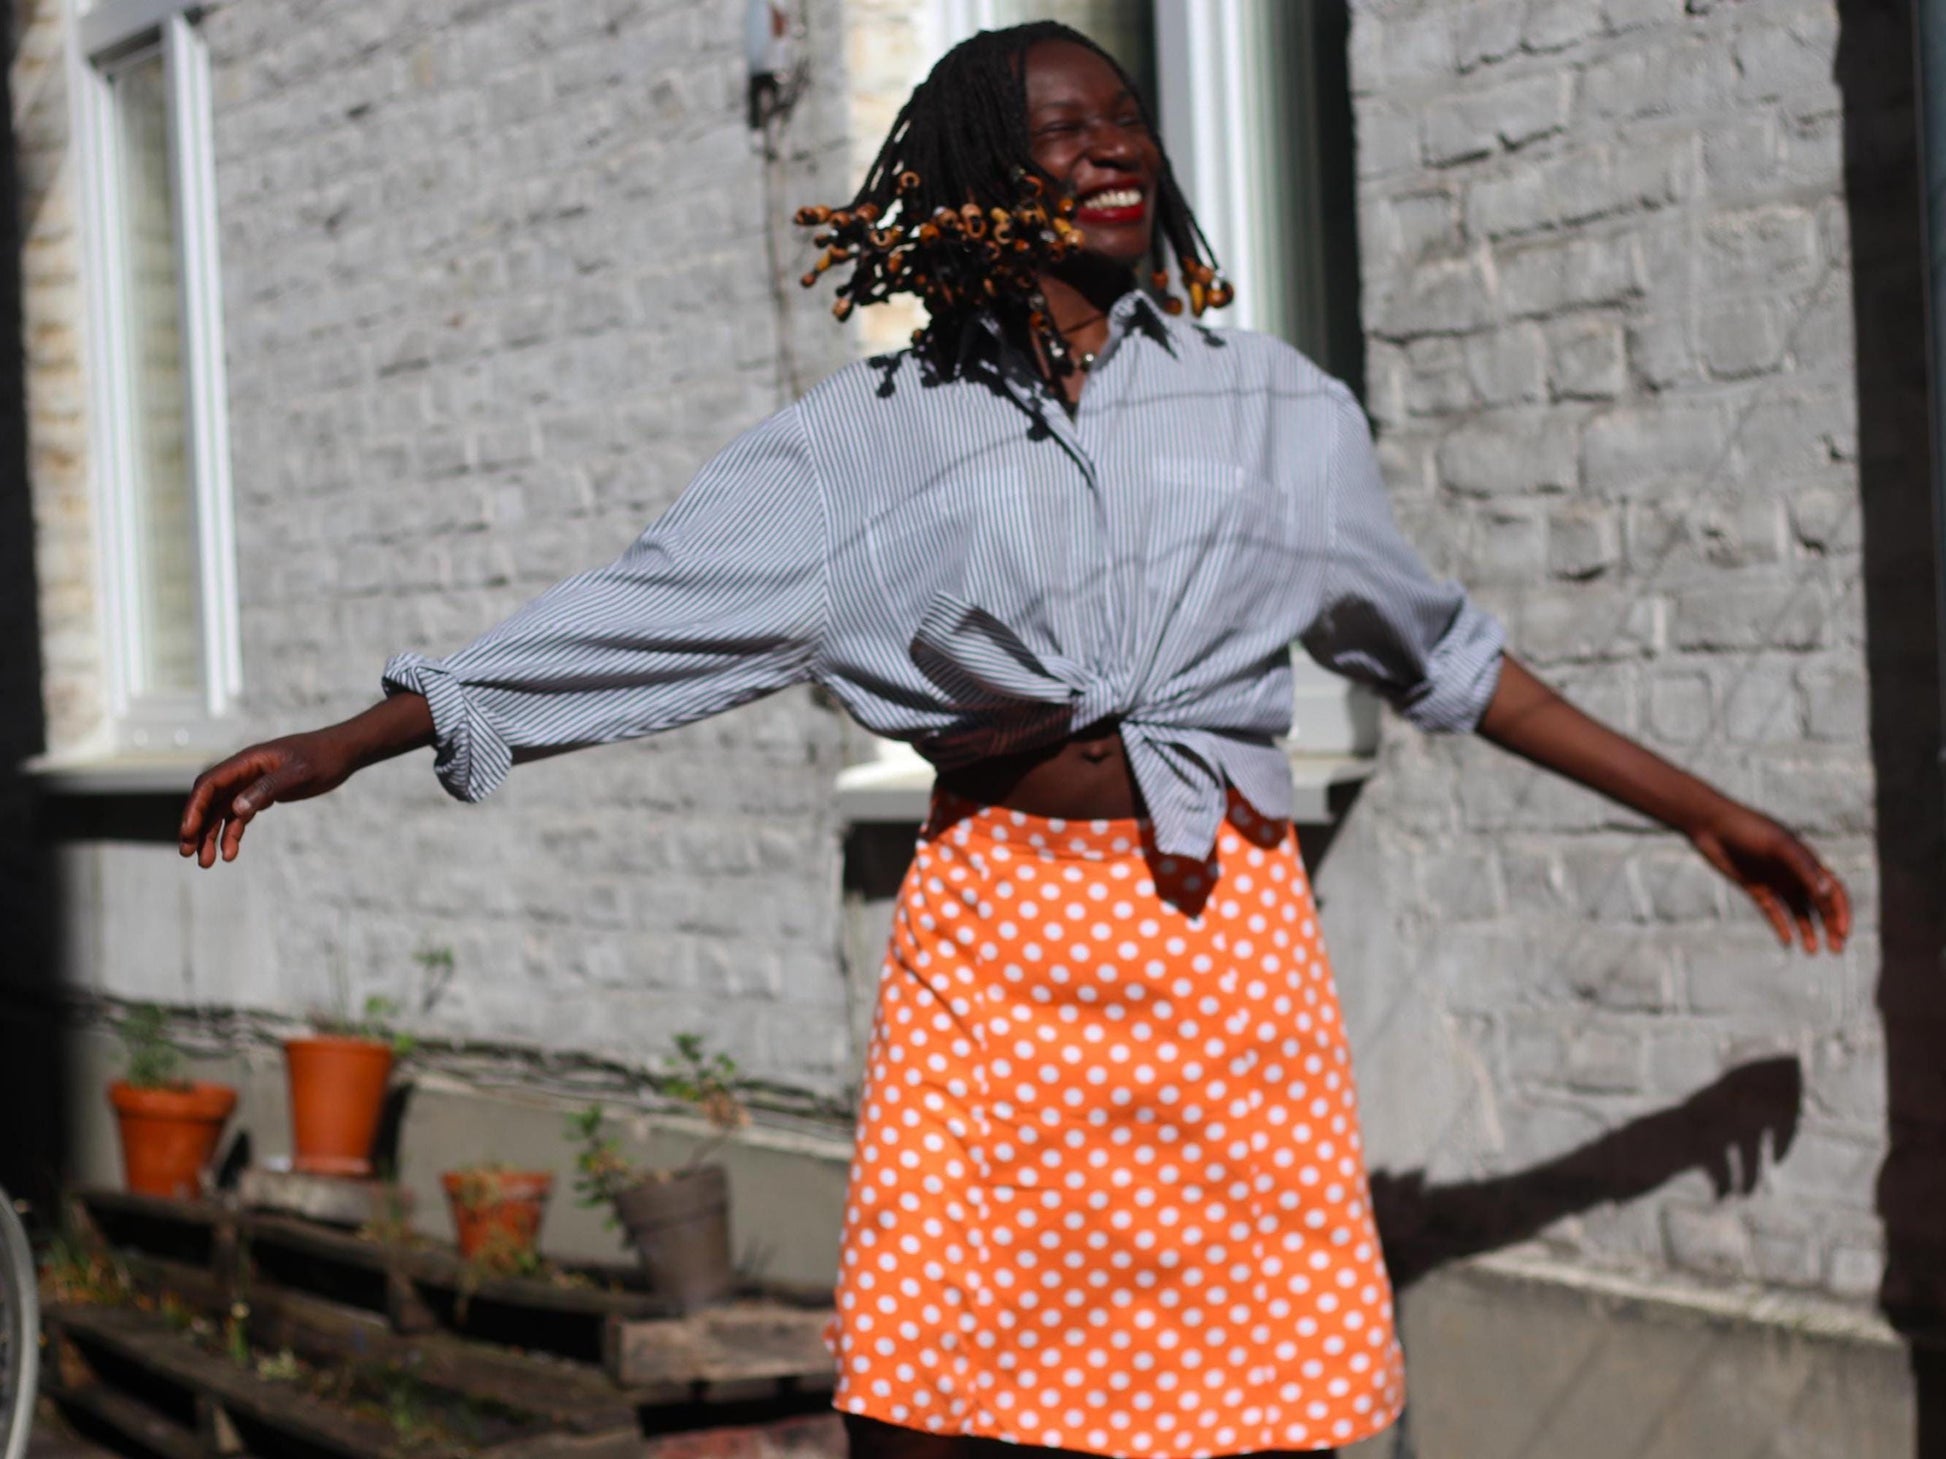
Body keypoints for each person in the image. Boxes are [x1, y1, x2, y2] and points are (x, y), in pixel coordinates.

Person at [177, 23, 1850, 1459]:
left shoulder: (1278, 410)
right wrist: (356, 738)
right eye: (1065, 128)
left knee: (1251, 1395)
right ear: (978, 174)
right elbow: (645, 610)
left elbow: (1449, 657)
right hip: (997, 946)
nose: (1115, 146)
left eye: (1126, 117)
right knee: (941, 1392)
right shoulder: (870, 438)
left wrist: (1699, 809)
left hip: (1223, 949)